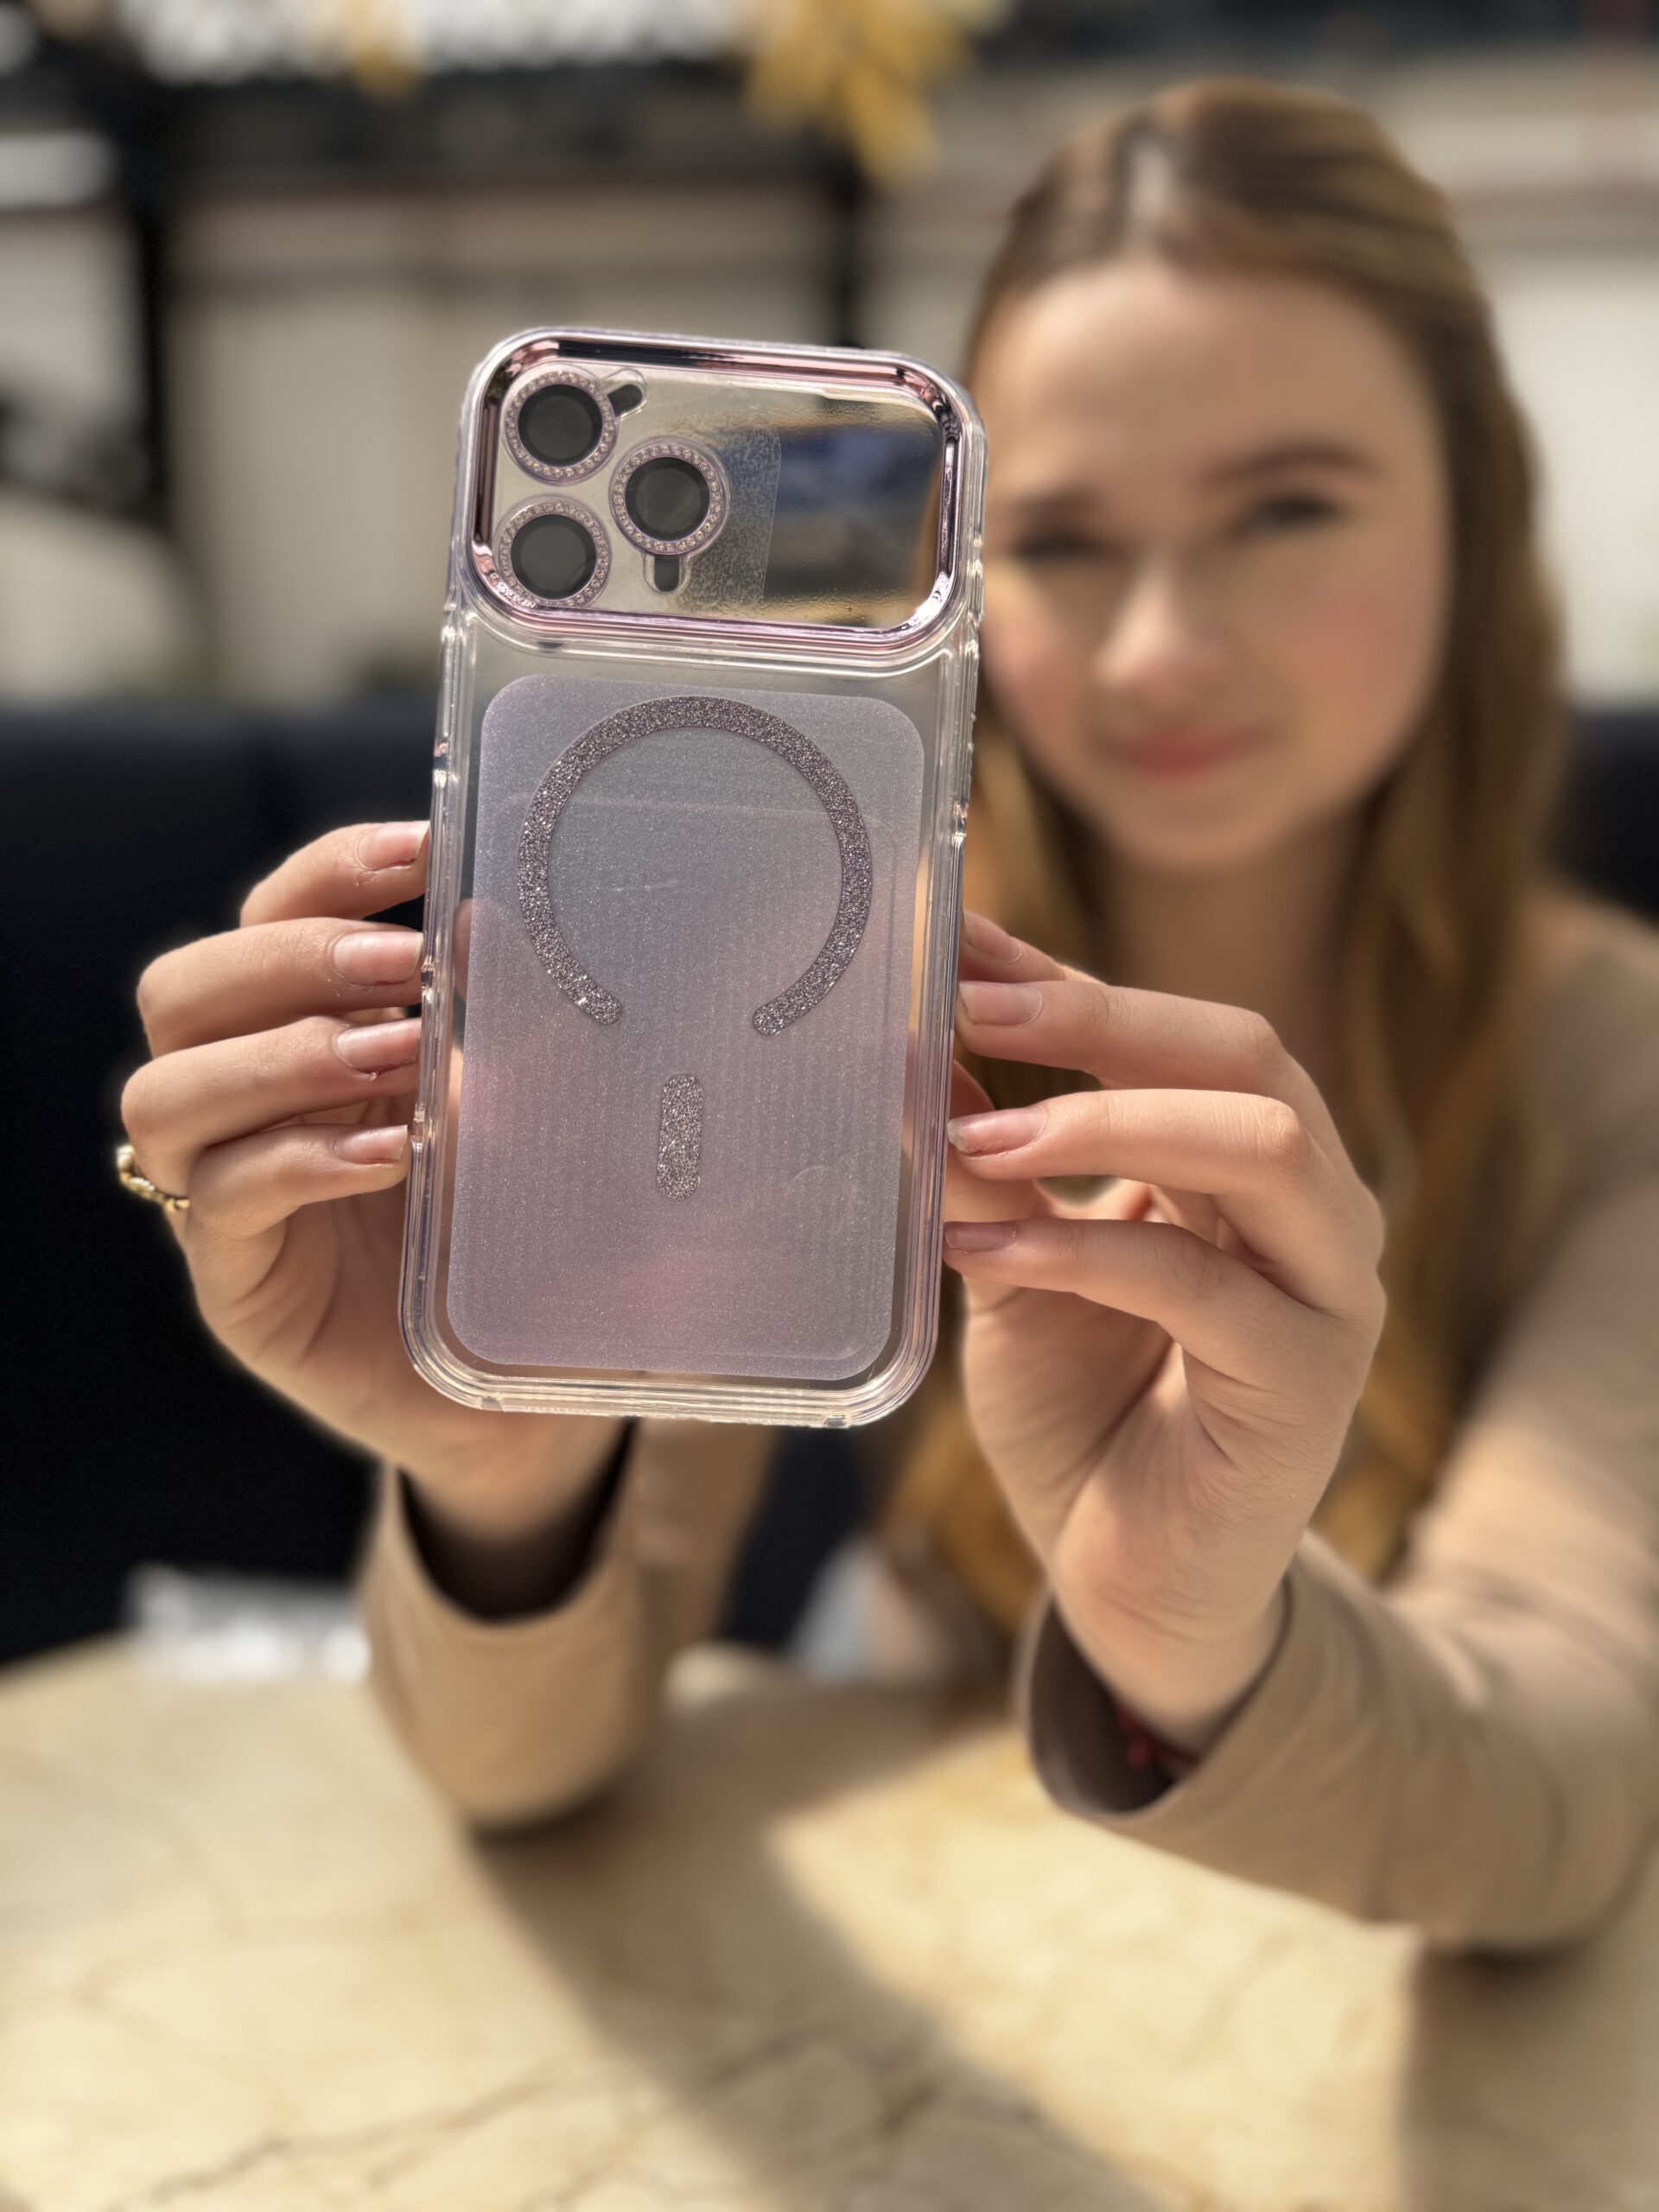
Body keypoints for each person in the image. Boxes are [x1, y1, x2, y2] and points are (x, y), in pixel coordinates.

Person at [119, 79, 1659, 1953]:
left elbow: (1565, 1805)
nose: (1165, 647)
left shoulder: (1617, 1057)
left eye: (1285, 510)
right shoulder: (804, 963)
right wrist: (503, 1478)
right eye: (1065, 541)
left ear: (1479, 520)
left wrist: (1192, 1631)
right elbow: (519, 1776)